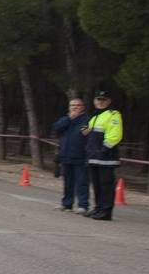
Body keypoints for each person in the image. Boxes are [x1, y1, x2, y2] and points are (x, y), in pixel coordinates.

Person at [82, 90, 123, 220]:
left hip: (106, 157)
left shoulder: (113, 114)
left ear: (109, 101)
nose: (100, 102)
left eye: (103, 100)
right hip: (94, 157)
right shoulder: (95, 117)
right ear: (94, 101)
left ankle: (106, 212)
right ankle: (98, 208)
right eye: (98, 99)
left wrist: (103, 149)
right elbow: (88, 133)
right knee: (97, 185)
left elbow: (115, 135)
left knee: (106, 185)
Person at [52, 97, 89, 213]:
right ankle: (67, 204)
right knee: (68, 182)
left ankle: (83, 205)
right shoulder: (65, 119)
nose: (74, 107)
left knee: (81, 182)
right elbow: (56, 128)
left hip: (81, 156)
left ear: (83, 107)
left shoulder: (87, 120)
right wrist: (69, 119)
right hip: (66, 155)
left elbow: (89, 136)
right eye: (72, 105)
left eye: (77, 105)